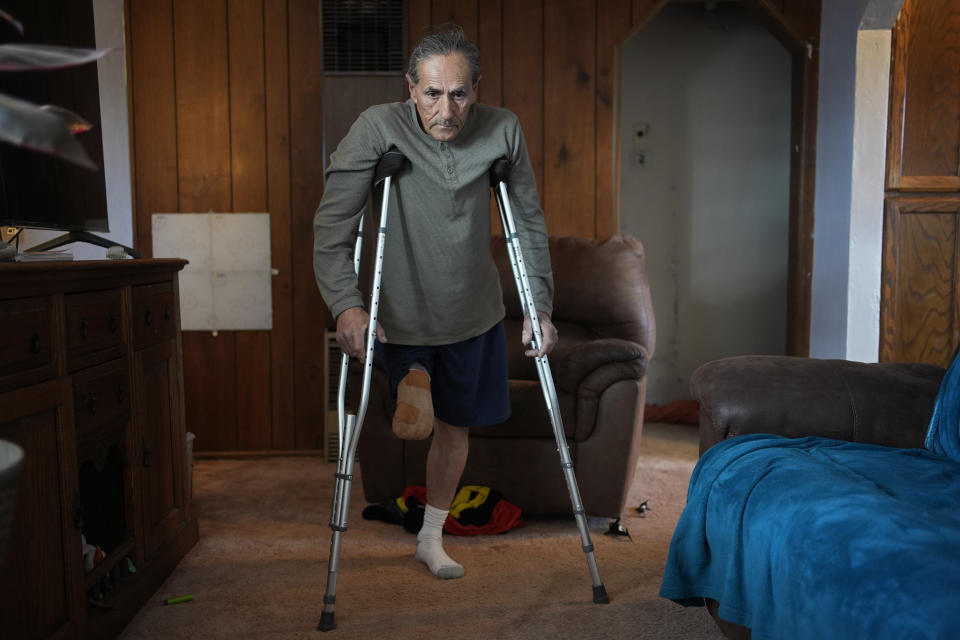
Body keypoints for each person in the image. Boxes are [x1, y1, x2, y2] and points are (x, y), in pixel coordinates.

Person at [313, 26, 556, 580]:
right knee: (422, 406)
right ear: (410, 87)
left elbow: (529, 224)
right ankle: (413, 379)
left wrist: (539, 307)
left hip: (474, 311)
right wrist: (346, 305)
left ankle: (431, 537)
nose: (445, 109)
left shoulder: (503, 130)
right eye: (431, 93)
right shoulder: (378, 126)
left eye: (459, 94)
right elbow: (333, 225)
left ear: (476, 89)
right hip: (398, 311)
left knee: (455, 430)